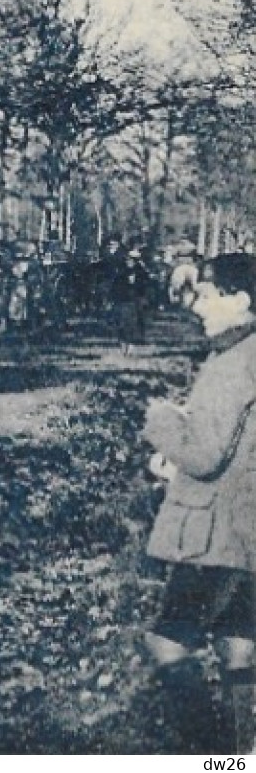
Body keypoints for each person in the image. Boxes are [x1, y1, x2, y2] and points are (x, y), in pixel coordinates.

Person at [140, 253, 256, 753]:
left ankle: (213, 757)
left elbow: (206, 454)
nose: (199, 306)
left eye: (209, 295)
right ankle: (242, 750)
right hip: (246, 528)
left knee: (167, 641)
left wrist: (162, 421)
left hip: (216, 534)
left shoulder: (233, 364)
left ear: (241, 301)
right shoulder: (246, 352)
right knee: (237, 643)